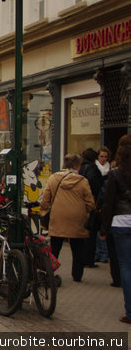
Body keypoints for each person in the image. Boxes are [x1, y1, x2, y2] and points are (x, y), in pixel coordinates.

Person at [40, 153, 95, 283]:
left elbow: (45, 199)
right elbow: (90, 203)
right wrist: (86, 213)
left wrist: (43, 212)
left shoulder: (53, 178)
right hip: (78, 218)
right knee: (78, 248)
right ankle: (77, 275)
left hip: (58, 216)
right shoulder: (82, 181)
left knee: (55, 246)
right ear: (77, 166)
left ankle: (50, 271)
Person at [99, 135, 131, 324]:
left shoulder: (115, 173)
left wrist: (103, 228)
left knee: (126, 266)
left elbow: (108, 203)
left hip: (120, 222)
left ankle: (130, 312)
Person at [80, 148, 104, 268]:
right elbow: (95, 184)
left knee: (84, 232)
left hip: (81, 204)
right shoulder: (92, 168)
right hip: (91, 204)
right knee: (91, 232)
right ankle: (89, 259)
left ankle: (83, 258)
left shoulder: (81, 168)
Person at [96, 146, 112, 265]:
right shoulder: (95, 168)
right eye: (101, 156)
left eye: (105, 157)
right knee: (98, 229)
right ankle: (100, 253)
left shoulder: (110, 169)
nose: (103, 159)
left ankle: (104, 254)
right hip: (98, 201)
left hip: (106, 203)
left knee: (104, 229)